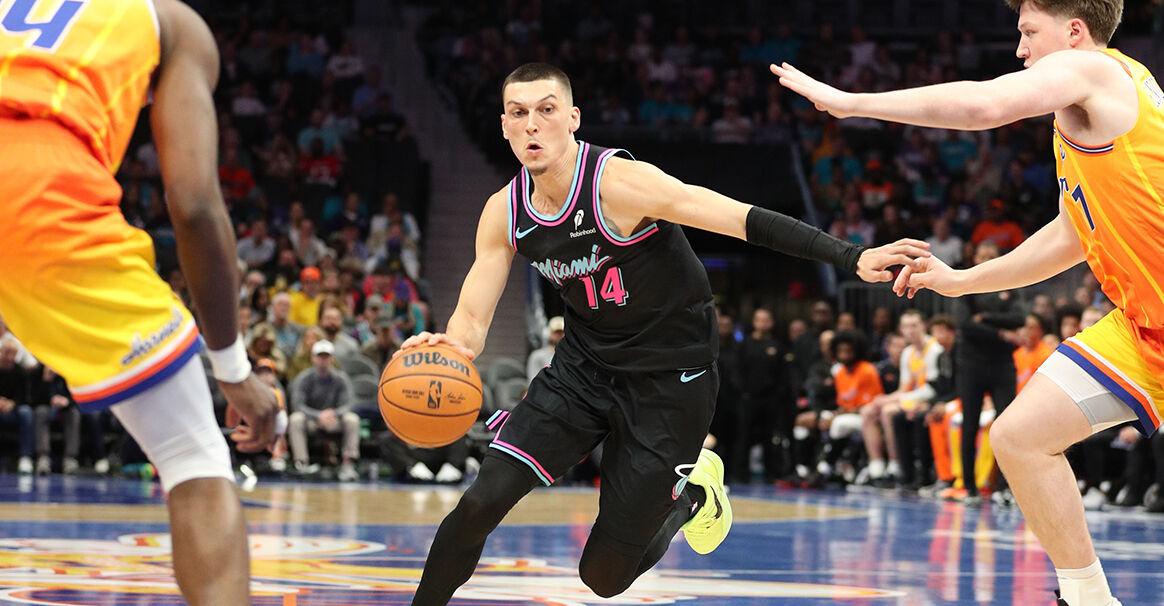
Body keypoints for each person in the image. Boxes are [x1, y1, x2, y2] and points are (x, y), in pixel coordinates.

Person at [400, 63, 929, 604]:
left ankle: (693, 497)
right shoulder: (505, 211)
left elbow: (741, 218)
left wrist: (851, 256)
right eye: (518, 113)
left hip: (672, 374)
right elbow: (472, 318)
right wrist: (450, 348)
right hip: (584, 368)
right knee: (479, 503)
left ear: (573, 118)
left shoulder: (620, 184)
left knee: (603, 578)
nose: (532, 124)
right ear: (504, 127)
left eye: (546, 110)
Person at [774, 0, 1152, 602]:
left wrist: (851, 103)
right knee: (1019, 437)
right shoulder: (1081, 119)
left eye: (1030, 32)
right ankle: (1088, 599)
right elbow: (1068, 236)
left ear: (1075, 32)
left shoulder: (1095, 69)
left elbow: (984, 105)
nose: (1020, 49)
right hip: (1142, 327)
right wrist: (960, 281)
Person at [0, 1, 279, 604]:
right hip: (34, 186)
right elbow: (195, 204)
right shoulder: (169, 21)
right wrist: (233, 369)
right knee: (192, 455)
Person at [867, 310, 943, 485]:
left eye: (914, 325)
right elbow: (903, 388)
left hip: (931, 398)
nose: (910, 330)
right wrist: (886, 399)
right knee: (869, 410)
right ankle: (877, 465)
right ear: (901, 329)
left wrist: (892, 401)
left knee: (888, 411)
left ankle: (896, 465)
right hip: (914, 398)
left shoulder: (934, 349)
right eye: (906, 326)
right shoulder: (908, 352)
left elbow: (932, 389)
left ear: (923, 326)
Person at [288, 340, 359, 480]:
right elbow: (297, 405)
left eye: (326, 356)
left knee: (352, 419)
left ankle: (348, 463)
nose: (323, 360)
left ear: (332, 359)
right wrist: (318, 415)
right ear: (313, 358)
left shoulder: (341, 379)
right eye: (320, 356)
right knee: (295, 419)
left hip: (334, 421)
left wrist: (334, 414)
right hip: (312, 421)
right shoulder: (304, 378)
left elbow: (348, 404)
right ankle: (301, 463)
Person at [527, 316, 564, 380]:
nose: (559, 335)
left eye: (561, 332)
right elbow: (533, 380)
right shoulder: (537, 355)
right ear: (549, 334)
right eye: (556, 332)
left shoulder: (572, 356)